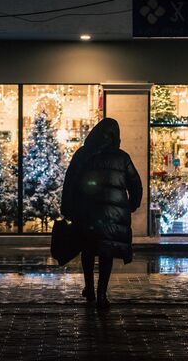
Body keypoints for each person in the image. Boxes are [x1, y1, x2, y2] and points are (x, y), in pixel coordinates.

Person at [61, 118, 142, 310]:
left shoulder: (83, 154)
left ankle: (89, 288)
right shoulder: (122, 158)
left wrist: (68, 208)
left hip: (87, 212)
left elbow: (70, 182)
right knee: (107, 252)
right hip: (112, 215)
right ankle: (102, 294)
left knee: (87, 250)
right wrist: (131, 205)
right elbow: (135, 184)